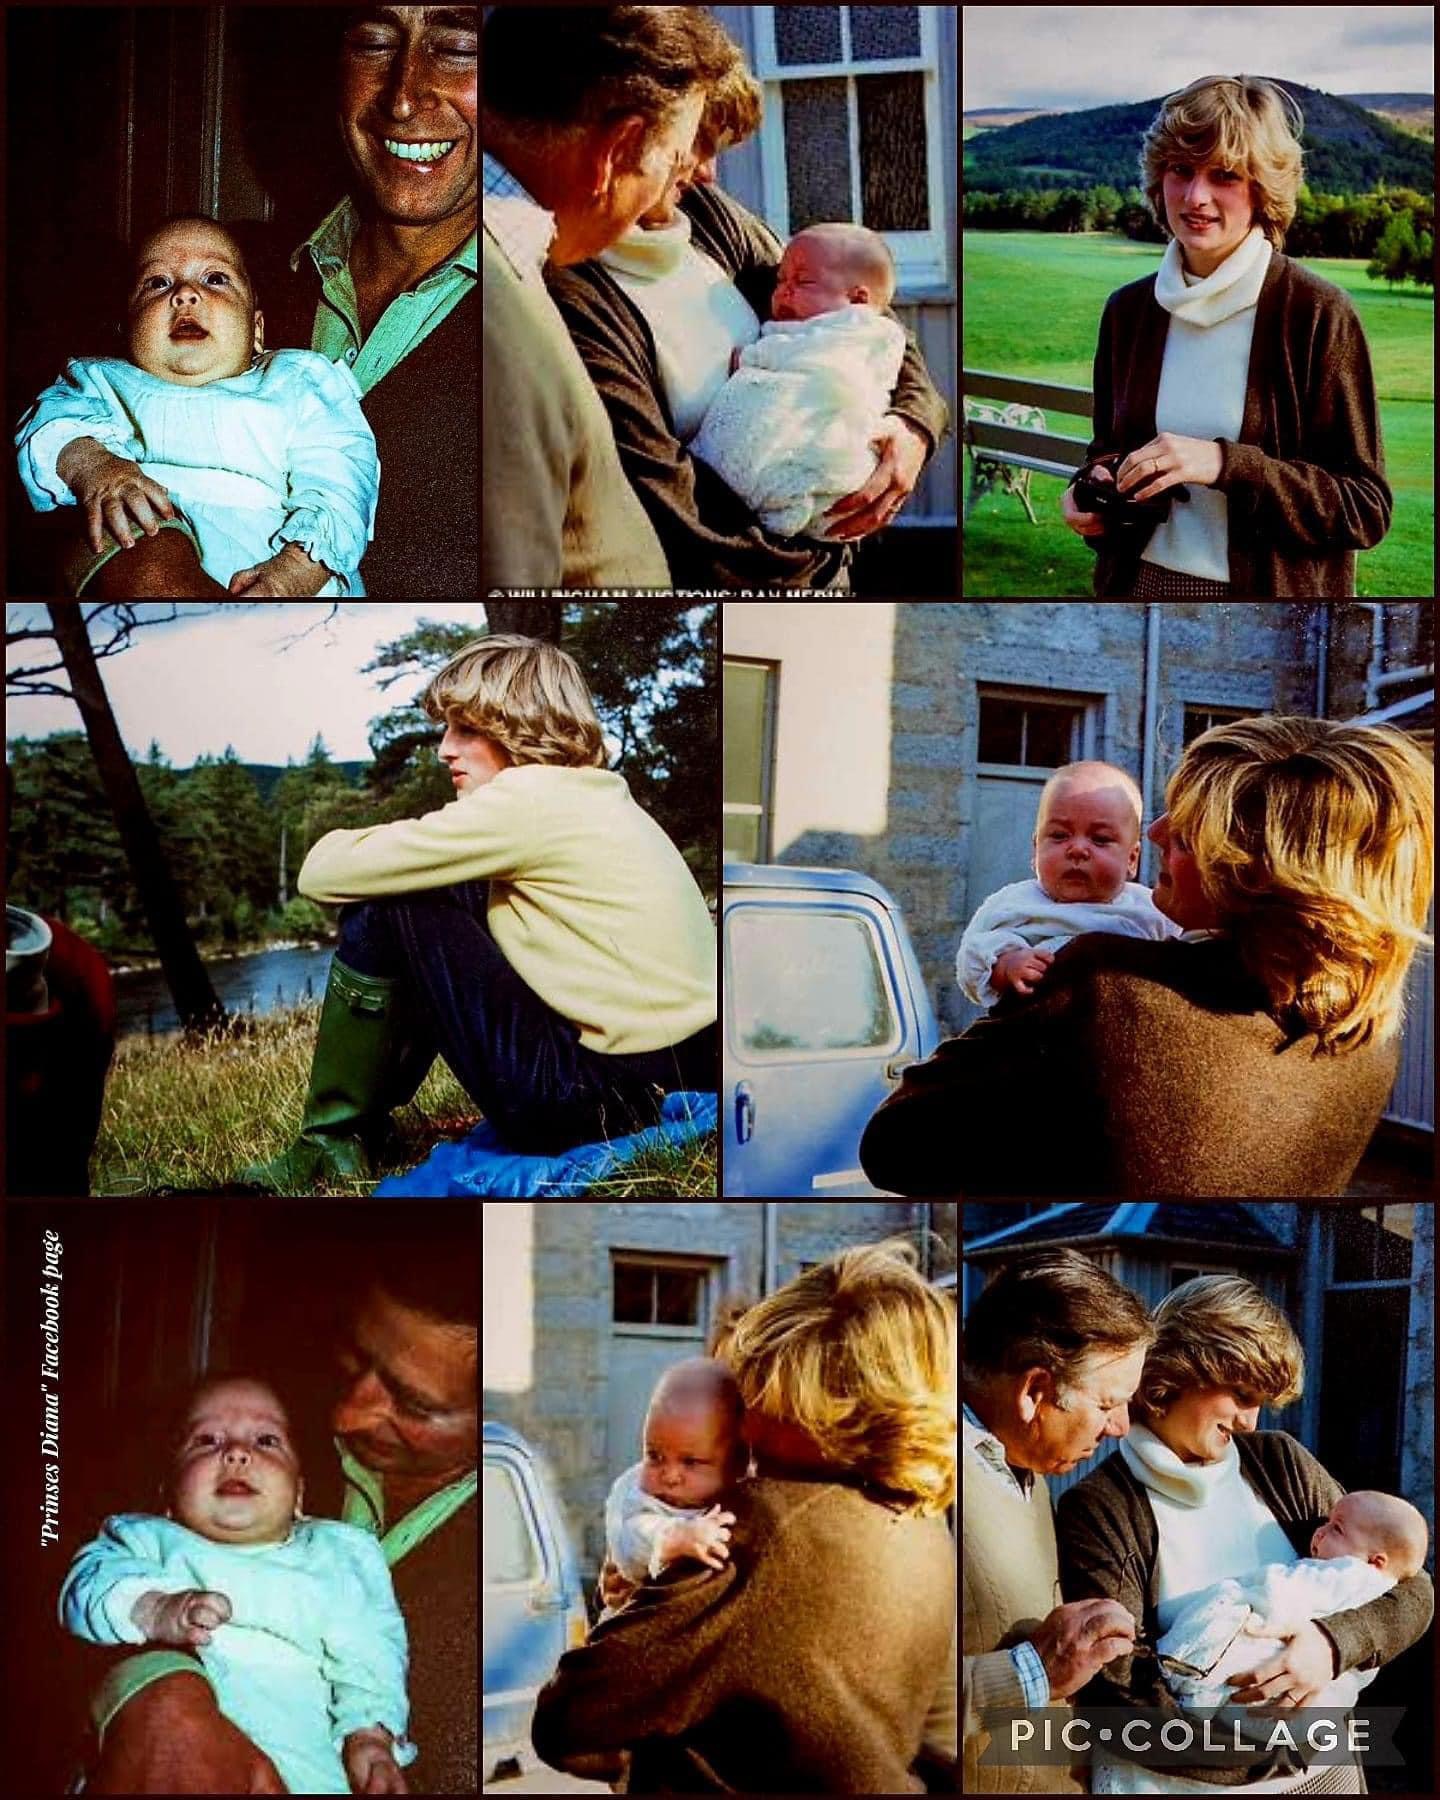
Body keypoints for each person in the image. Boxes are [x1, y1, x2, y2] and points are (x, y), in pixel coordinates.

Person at [861, 713, 1434, 1197]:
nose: (1156, 832)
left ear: (1257, 877)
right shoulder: (1369, 1042)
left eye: (1187, 835)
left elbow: (891, 1145)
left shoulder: (1108, 984)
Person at [241, 634, 715, 1189]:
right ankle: (354, 1130)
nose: (445, 748)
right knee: (451, 887)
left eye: (465, 729)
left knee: (398, 900)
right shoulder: (597, 793)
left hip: (589, 1106)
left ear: (521, 726)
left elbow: (320, 872)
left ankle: (331, 1140)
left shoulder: (527, 800)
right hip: (668, 1079)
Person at [69, 5, 477, 601]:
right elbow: (62, 466)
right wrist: (145, 562)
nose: (404, 98)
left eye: (460, 46)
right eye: (371, 41)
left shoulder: (579, 334)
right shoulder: (215, 267)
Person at [533, 1240, 958, 1792]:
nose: (748, 1424)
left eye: (774, 1392)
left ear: (843, 1406)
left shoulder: (766, 1524)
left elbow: (570, 1717)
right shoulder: (920, 1516)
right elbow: (939, 1732)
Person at [83, 1214, 478, 1795]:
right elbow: (58, 1586)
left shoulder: (495, 1541)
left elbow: (374, 1666)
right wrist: (152, 1688)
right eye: (355, 1356)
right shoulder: (246, 1406)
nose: (347, 1416)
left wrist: (372, 1735)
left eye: (415, 1405)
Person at [546, 46, 951, 590]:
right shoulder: (572, 292)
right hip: (767, 578)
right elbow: (672, 511)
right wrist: (818, 565)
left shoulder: (707, 217)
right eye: (698, 143)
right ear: (625, 138)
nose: (710, 173)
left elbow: (861, 319)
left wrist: (914, 422)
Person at [1055, 1275, 1434, 1794]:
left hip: (1326, 1778)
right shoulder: (1101, 1509)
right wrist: (1277, 1754)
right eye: (1241, 1394)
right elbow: (1121, 1701)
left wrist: (1332, 1643)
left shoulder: (1279, 1464)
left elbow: (1409, 1583)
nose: (1251, 1421)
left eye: (1261, 1402)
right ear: (1178, 1372)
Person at [1060, 75, 1390, 598]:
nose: (1196, 197)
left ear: (1262, 189)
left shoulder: (1318, 314)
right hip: (1135, 587)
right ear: (1158, 178)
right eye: (1181, 171)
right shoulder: (1128, 311)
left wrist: (1222, 464)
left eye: (1225, 176)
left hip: (1262, 606)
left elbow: (1363, 507)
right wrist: (1092, 489)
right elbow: (1108, 449)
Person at [483, 5, 738, 591]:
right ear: (618, 152)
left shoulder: (515, 261)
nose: (682, 185)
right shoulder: (492, 317)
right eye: (675, 159)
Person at [61, 1375, 413, 1796]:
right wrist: (154, 1608)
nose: (236, 1453)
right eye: (207, 1440)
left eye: (266, 1441)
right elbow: (84, 1588)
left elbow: (371, 1650)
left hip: (308, 1774)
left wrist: (370, 1733)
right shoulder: (146, 1539)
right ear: (169, 1497)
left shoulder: (335, 1554)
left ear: (299, 1496)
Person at [18, 215, 378, 599]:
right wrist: (97, 466)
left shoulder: (295, 380)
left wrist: (294, 572)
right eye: (158, 283)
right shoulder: (103, 381)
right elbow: (48, 426)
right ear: (127, 327)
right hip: (147, 536)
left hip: (277, 567)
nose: (185, 294)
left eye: (215, 279)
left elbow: (343, 477)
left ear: (257, 331)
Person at [961, 1249, 1154, 1794]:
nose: (1120, 1426)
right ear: (1034, 1392)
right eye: (1108, 1402)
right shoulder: (922, 1484)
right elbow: (873, 1700)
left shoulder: (1028, 1468)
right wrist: (1032, 1673)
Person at [688, 223, 907, 539]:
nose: (784, 290)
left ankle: (784, 499)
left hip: (837, 444)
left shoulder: (848, 334)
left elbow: (809, 357)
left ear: (858, 301)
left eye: (803, 281)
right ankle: (791, 504)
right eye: (780, 280)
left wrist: (749, 359)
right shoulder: (856, 329)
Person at [1153, 1489, 1427, 1715]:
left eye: (1337, 1529)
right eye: (1327, 1523)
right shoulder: (1374, 1578)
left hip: (1283, 1684)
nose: (1320, 1530)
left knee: (1227, 1612)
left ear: (1375, 1561)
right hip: (1306, 1713)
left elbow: (1286, 1593)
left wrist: (1251, 1588)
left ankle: (1186, 1676)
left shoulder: (1351, 1574)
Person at [957, 760, 1179, 1009]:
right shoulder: (1014, 903)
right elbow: (972, 957)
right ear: (1036, 849)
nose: (1077, 849)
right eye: (1059, 835)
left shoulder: (1150, 910)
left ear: (1131, 858)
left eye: (1100, 839)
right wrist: (1007, 965)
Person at [597, 1357, 746, 1619]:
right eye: (654, 1455)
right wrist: (673, 1537)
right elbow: (630, 1537)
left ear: (736, 1465)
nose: (670, 1476)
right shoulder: (640, 1494)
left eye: (690, 1462)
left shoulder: (744, 1496)